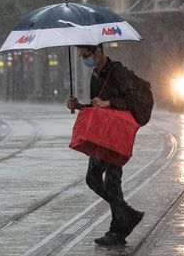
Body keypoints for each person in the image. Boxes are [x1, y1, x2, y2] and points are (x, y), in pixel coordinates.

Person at [66, 44, 144, 246]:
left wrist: (108, 103)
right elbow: (96, 107)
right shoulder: (95, 75)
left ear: (98, 52)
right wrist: (79, 106)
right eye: (82, 56)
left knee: (111, 182)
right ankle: (126, 213)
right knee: (92, 178)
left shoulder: (117, 72)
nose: (85, 60)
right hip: (102, 136)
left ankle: (117, 231)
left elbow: (134, 99)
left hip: (116, 136)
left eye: (86, 55)